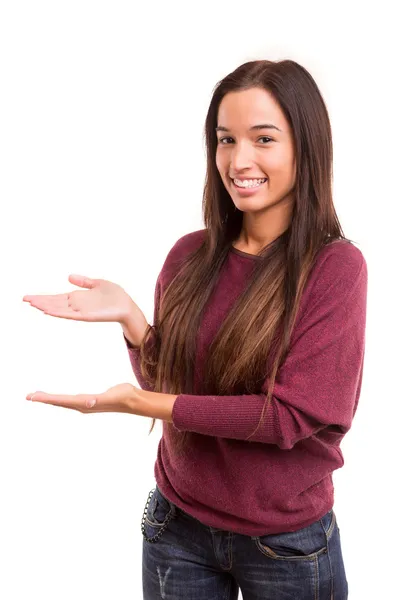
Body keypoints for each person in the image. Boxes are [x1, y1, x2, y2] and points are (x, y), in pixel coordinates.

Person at [23, 59, 367, 599]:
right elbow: (174, 382)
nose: (239, 159)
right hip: (175, 527)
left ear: (307, 146)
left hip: (285, 542)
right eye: (226, 139)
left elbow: (290, 416)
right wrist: (136, 325)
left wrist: (144, 406)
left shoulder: (335, 268)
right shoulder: (189, 255)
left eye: (264, 139)